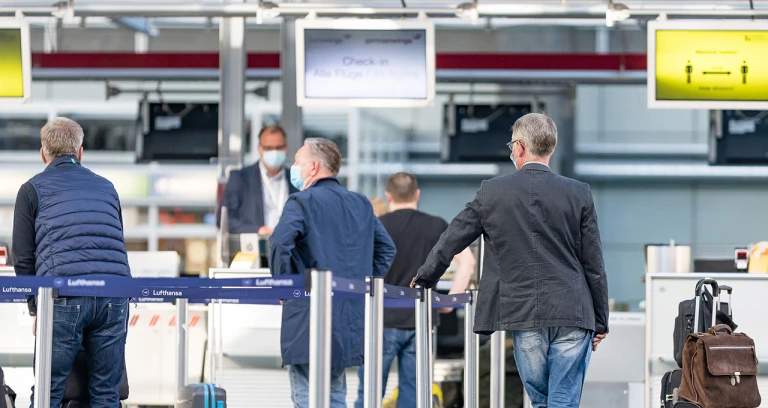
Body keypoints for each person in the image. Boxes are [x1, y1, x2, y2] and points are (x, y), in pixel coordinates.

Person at [413, 113, 609, 408]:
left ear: (518, 147)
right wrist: (601, 319)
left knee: (541, 400)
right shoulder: (578, 192)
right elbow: (593, 261)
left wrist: (427, 277)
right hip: (573, 310)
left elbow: (453, 237)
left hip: (523, 310)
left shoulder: (492, 192)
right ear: (551, 148)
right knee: (562, 399)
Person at [12, 117, 131, 408]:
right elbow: (116, 242)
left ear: (43, 154)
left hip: (63, 295)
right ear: (80, 152)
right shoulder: (107, 187)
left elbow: (23, 256)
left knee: (48, 392)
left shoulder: (32, 189)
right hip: (114, 295)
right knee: (106, 393)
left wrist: (35, 307)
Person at [269, 138, 396, 408]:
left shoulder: (301, 202)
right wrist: (361, 284)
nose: (293, 167)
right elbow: (386, 249)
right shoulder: (360, 203)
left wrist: (284, 287)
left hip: (308, 311)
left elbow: (280, 242)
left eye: (297, 162)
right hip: (348, 315)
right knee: (336, 393)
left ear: (313, 167)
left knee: (306, 393)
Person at [355, 172, 476, 408]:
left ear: (388, 196)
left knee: (369, 395)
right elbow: (468, 262)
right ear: (417, 195)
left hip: (380, 322)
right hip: (421, 322)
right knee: (414, 397)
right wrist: (449, 302)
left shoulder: (376, 226)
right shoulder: (436, 225)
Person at [219, 126, 298, 235]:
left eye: (279, 147)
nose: (274, 152)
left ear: (286, 148)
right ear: (259, 149)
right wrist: (258, 230)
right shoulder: (240, 178)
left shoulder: (296, 179)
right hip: (254, 247)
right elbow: (225, 220)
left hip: (289, 246)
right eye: (269, 148)